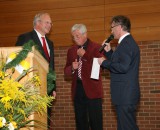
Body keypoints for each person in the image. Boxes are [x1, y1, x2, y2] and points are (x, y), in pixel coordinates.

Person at [98, 15, 140, 130]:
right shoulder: (126, 43)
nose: (111, 31)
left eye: (112, 27)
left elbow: (123, 67)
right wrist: (108, 52)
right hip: (124, 95)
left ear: (119, 27)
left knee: (127, 127)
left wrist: (104, 63)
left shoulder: (126, 43)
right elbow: (121, 64)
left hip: (125, 95)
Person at [15, 12, 56, 128]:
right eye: (47, 22)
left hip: (46, 89)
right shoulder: (25, 37)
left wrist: (53, 87)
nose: (50, 25)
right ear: (38, 23)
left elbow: (51, 66)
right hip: (30, 87)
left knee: (45, 119)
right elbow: (18, 60)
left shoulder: (50, 43)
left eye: (51, 23)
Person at [64, 24, 104, 130]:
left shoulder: (96, 47)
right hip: (78, 90)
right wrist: (72, 68)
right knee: (80, 123)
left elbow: (101, 67)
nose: (75, 39)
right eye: (73, 37)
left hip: (93, 90)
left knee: (96, 123)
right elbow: (66, 71)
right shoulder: (71, 50)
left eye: (77, 36)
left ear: (85, 34)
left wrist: (85, 56)